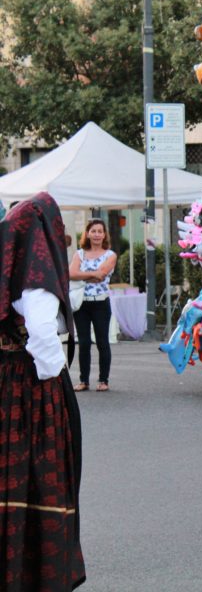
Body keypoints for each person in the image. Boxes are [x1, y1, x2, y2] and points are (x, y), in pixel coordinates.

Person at [1, 193, 86, 590]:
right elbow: (41, 334)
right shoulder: (36, 276)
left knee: (11, 471)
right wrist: (57, 381)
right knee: (42, 474)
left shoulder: (9, 265)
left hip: (6, 380)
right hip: (30, 386)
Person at [69, 218, 117, 392]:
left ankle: (103, 380)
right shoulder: (79, 254)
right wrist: (92, 274)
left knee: (102, 342)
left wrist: (82, 274)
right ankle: (83, 381)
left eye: (100, 231)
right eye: (93, 231)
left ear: (104, 234)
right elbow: (71, 274)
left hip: (101, 304)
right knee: (83, 342)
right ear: (87, 234)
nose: (96, 234)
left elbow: (103, 274)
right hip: (81, 304)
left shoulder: (110, 255)